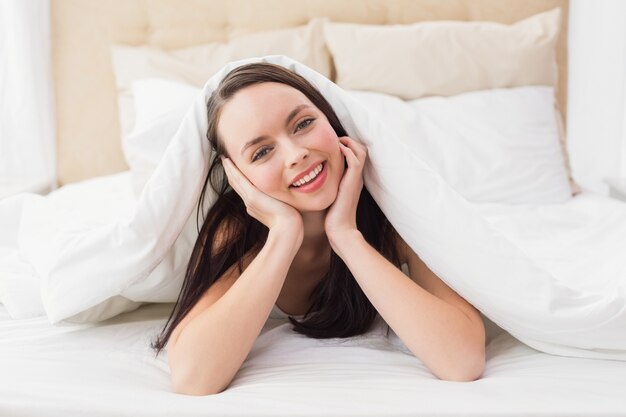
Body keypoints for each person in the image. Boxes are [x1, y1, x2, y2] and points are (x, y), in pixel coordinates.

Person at [153, 62, 485, 395]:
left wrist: (346, 236)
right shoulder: (236, 232)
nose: (297, 154)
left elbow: (462, 361)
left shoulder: (391, 213)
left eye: (304, 123)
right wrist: (283, 233)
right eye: (262, 152)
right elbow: (193, 378)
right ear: (238, 176)